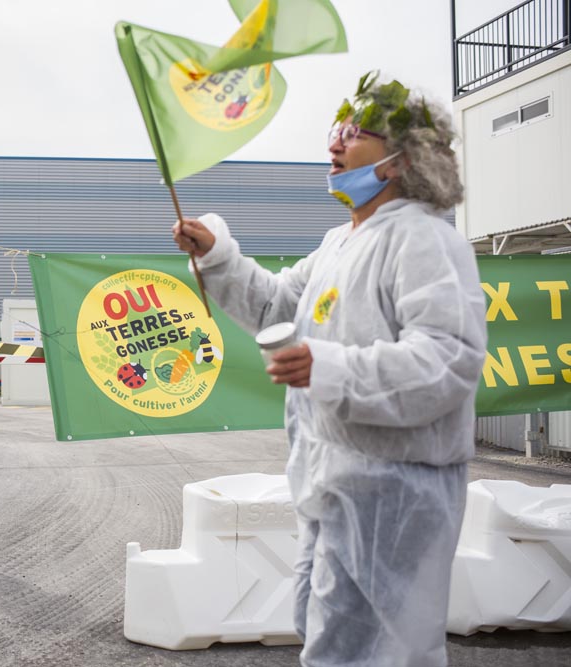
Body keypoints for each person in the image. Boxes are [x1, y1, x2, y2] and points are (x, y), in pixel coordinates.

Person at [173, 72, 487, 666]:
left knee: (386, 650)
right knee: (329, 636)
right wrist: (217, 253)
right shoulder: (339, 244)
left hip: (395, 491)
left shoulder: (425, 242)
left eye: (353, 132)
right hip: (331, 483)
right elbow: (272, 306)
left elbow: (449, 361)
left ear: (400, 160)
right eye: (335, 131)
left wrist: (330, 366)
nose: (335, 144)